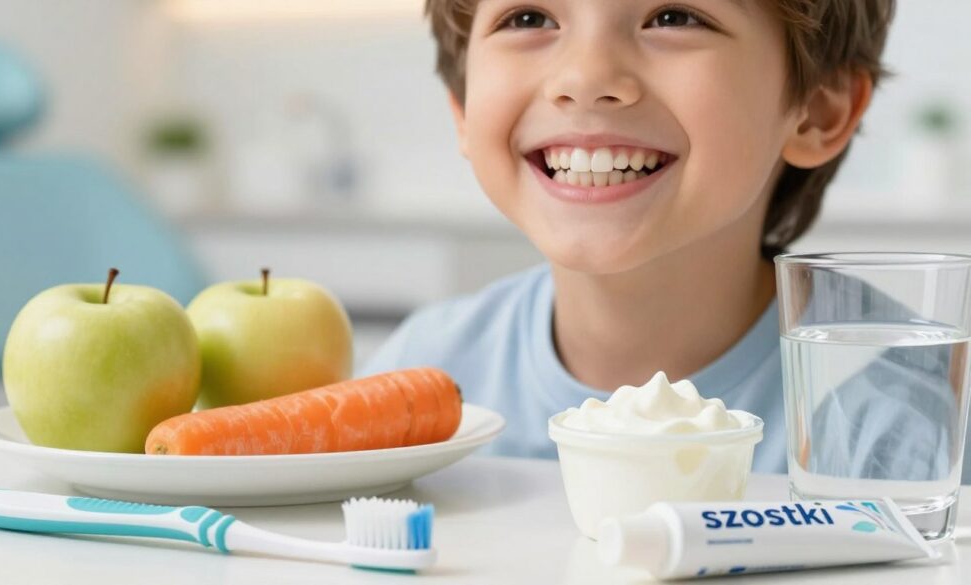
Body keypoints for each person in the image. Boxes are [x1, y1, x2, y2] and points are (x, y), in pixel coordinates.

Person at [360, 0, 898, 473]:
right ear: (462, 106)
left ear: (819, 111)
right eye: (528, 18)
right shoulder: (418, 376)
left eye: (674, 17)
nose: (586, 77)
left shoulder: (915, 415)